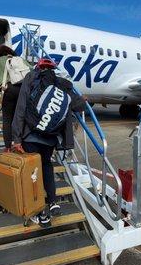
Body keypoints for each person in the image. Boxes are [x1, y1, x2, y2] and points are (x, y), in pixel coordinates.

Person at [11, 58, 86, 228]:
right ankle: (53, 201)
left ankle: (39, 212)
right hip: (50, 137)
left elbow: (21, 107)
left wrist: (16, 138)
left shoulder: (31, 78)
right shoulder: (62, 83)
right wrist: (84, 99)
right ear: (53, 69)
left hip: (31, 134)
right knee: (46, 166)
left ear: (39, 67)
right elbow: (76, 104)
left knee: (32, 172)